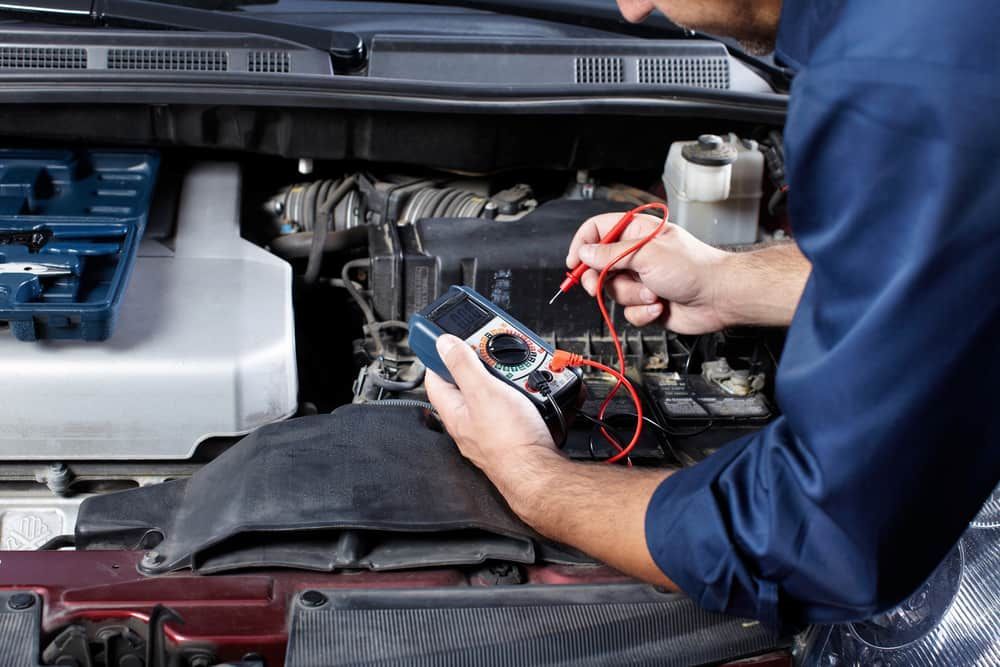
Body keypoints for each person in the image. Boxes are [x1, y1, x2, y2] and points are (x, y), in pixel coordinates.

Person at [425, 0, 1000, 630]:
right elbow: (955, 265)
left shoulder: (891, 81)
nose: (632, 8)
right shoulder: (931, 33)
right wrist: (726, 281)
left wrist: (527, 474)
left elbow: (816, 537)